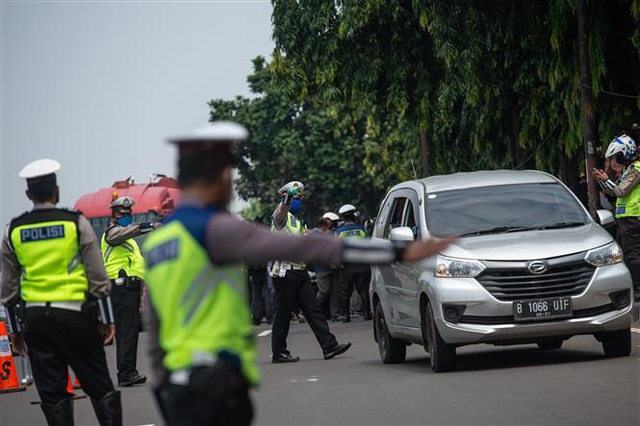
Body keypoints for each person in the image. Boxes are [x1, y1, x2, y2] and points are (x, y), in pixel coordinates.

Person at [141, 121, 453, 425]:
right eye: (230, 177)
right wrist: (397, 252)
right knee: (284, 313)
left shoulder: (158, 243)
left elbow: (155, 330)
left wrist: (163, 392)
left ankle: (327, 343)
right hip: (213, 385)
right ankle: (285, 349)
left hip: (177, 385)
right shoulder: (212, 228)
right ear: (219, 176)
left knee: (311, 309)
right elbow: (302, 248)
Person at [0, 159, 122, 425]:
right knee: (99, 386)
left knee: (53, 395)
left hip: (35, 322)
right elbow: (98, 276)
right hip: (76, 317)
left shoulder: (13, 229)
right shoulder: (75, 223)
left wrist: (16, 332)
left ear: (28, 195)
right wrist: (108, 319)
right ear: (56, 190)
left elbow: (8, 290)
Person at [102, 196, 160, 387]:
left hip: (131, 288)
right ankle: (126, 373)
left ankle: (127, 371)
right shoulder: (112, 234)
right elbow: (125, 232)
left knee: (129, 331)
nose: (125, 216)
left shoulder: (130, 242)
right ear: (113, 216)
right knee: (127, 332)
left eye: (128, 213)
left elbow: (137, 264)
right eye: (121, 213)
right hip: (120, 287)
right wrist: (150, 225)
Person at [593, 133, 640, 302]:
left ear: (624, 154)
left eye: (615, 157)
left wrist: (607, 179)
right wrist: (602, 181)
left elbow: (621, 191)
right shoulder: (628, 171)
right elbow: (614, 193)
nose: (613, 162)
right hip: (625, 219)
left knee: (632, 255)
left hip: (633, 218)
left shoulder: (636, 170)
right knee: (621, 254)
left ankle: (637, 290)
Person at [335, 204, 372, 321]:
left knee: (345, 291)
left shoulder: (339, 231)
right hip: (361, 262)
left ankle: (346, 316)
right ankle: (367, 314)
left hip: (346, 265)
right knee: (363, 289)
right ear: (353, 215)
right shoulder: (361, 228)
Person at [311, 213, 341, 321]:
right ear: (323, 225)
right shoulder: (314, 234)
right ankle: (313, 311)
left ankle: (335, 314)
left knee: (335, 291)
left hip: (332, 266)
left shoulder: (331, 233)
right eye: (328, 225)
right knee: (324, 291)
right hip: (321, 267)